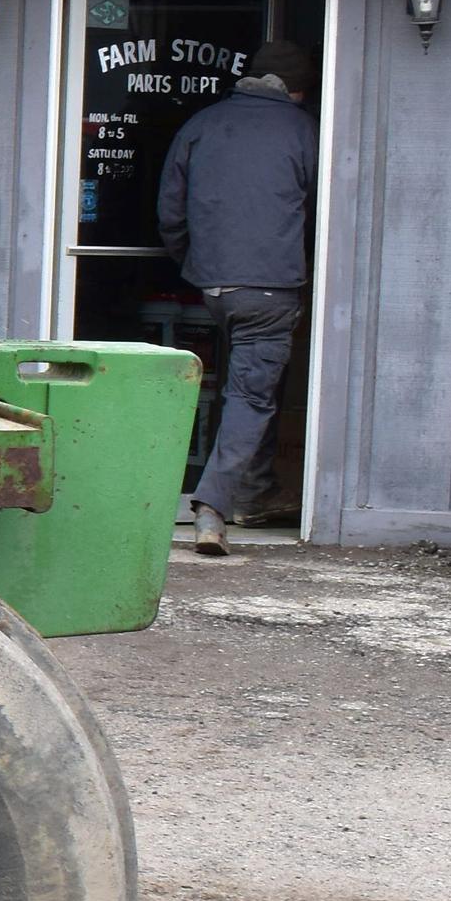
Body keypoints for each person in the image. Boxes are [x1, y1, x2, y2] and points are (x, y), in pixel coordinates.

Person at [157, 39, 319, 555]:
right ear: (296, 89)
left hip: (215, 288)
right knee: (252, 395)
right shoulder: (303, 130)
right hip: (271, 287)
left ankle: (255, 489)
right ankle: (213, 510)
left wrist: (199, 267)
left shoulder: (201, 126)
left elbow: (171, 213)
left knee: (245, 384)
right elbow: (325, 210)